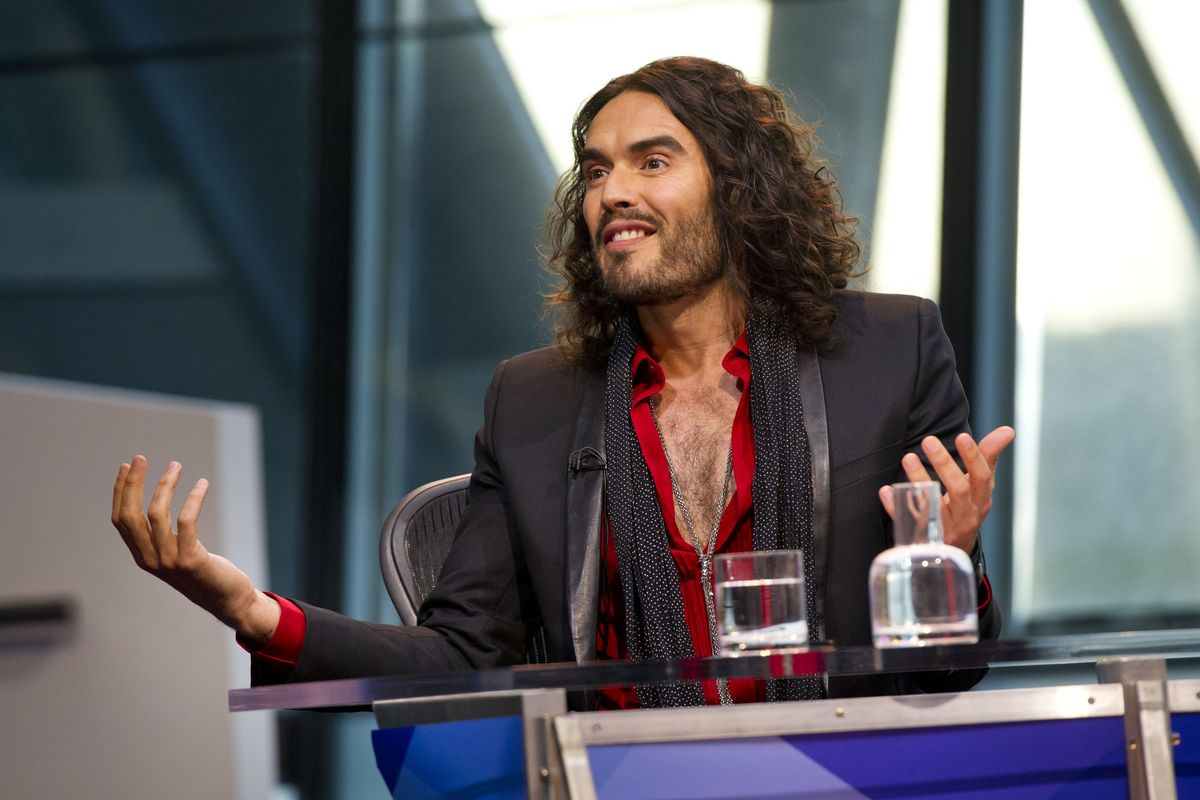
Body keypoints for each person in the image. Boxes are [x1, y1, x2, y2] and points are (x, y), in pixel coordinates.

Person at [111, 57, 1014, 708]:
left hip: (847, 764)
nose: (611, 191)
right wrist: (251, 609)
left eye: (652, 162)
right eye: (595, 170)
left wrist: (949, 560)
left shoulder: (889, 348)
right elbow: (466, 655)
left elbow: (948, 672)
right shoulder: (534, 401)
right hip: (620, 777)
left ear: (739, 188)